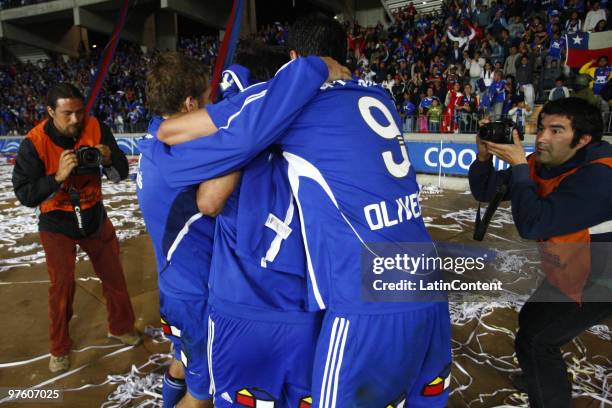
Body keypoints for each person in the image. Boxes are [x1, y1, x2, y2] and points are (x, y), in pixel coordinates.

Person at [156, 13, 451, 407]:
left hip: (365, 295)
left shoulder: (295, 100)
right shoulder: (381, 97)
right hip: (427, 278)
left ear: (294, 62)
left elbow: (170, 133)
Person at [468, 97, 612, 408]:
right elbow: (486, 191)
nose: (542, 137)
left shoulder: (601, 176)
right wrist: (483, 159)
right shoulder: (542, 162)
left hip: (601, 278)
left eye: (556, 130)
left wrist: (519, 165)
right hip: (576, 266)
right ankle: (541, 374)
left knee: (536, 340)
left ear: (583, 139)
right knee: (533, 318)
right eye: (541, 127)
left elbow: (533, 224)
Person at [11, 83, 140, 373]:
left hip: (94, 215)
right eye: (67, 113)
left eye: (80, 112)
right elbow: (24, 193)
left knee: (114, 277)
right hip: (57, 221)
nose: (75, 120)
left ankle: (120, 327)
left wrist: (108, 160)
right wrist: (57, 177)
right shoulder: (33, 142)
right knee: (62, 286)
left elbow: (121, 174)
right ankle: (59, 348)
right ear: (49, 112)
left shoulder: (96, 126)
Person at [137, 52, 220, 408]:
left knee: (182, 363)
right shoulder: (184, 156)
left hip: (174, 288)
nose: (213, 103)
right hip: (195, 296)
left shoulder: (154, 141)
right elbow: (212, 202)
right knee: (203, 394)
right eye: (207, 97)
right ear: (190, 104)